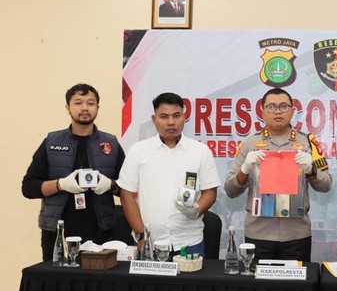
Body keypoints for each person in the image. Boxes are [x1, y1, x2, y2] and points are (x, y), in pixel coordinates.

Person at [224, 88, 332, 263]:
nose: (278, 111)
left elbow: (326, 185)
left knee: (298, 281)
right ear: (262, 112)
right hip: (259, 233)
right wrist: (244, 170)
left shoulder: (307, 142)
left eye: (283, 106)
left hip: (296, 234)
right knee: (258, 281)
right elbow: (230, 190)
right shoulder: (249, 144)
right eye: (271, 107)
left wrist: (311, 170)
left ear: (292, 111)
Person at [22, 83, 125, 261]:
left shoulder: (111, 144)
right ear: (67, 107)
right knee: (56, 278)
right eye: (78, 103)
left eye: (90, 103)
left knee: (98, 278)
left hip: (101, 230)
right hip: (57, 233)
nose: (85, 108)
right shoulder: (52, 142)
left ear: (98, 108)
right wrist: (60, 184)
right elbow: (28, 188)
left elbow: (128, 190)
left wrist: (111, 185)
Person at [117, 92, 220, 258]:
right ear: (154, 119)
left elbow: (210, 192)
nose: (171, 122)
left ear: (184, 117)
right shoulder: (138, 151)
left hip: (189, 242)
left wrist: (196, 210)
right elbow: (126, 195)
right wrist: (142, 235)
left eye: (176, 116)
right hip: (151, 242)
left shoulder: (200, 151)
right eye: (164, 116)